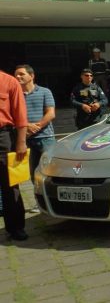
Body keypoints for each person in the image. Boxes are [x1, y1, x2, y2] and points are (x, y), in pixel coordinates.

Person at [14, 65, 55, 214]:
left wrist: (35, 127)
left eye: (21, 74)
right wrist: (26, 127)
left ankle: (53, 200)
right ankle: (39, 202)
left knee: (50, 172)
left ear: (32, 76)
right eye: (16, 75)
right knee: (32, 173)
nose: (17, 77)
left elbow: (50, 113)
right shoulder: (15, 94)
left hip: (46, 139)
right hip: (26, 141)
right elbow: (13, 116)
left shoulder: (45, 91)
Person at [0, 70, 28, 240]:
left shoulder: (9, 81)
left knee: (10, 185)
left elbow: (20, 114)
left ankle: (16, 227)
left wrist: (21, 142)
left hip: (3, 139)